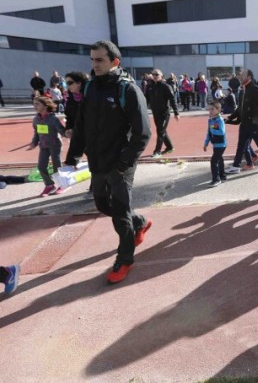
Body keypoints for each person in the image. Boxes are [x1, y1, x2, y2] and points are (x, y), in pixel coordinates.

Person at [65, 40, 152, 284]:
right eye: (92, 59)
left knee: (120, 214)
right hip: (98, 161)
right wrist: (73, 156)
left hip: (120, 164)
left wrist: (124, 163)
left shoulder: (128, 90)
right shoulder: (91, 87)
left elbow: (143, 133)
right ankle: (141, 222)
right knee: (103, 205)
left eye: (99, 59)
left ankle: (124, 260)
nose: (94, 64)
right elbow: (81, 124)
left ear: (115, 61)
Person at [225, 68, 258, 174]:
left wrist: (249, 114)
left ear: (249, 77)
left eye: (243, 75)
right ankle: (236, 166)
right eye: (240, 75)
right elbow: (239, 109)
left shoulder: (255, 89)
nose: (240, 76)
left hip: (254, 123)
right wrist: (230, 118)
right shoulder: (242, 91)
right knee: (241, 145)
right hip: (244, 123)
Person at [27, 96, 67, 197]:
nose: (34, 106)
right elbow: (37, 133)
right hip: (43, 146)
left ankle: (62, 185)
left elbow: (62, 131)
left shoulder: (53, 119)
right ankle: (49, 185)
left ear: (45, 105)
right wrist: (33, 143)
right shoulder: (36, 119)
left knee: (56, 167)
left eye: (37, 104)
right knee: (41, 167)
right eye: (34, 104)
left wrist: (68, 133)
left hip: (55, 145)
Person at [147, 69, 179, 158]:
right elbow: (146, 100)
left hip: (165, 113)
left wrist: (176, 112)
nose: (154, 76)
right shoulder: (149, 87)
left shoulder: (166, 86)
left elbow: (172, 99)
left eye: (157, 74)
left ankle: (157, 151)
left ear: (161, 76)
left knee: (160, 131)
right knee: (162, 130)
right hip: (155, 113)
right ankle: (169, 147)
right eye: (153, 74)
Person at [203, 100, 227, 187]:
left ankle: (216, 180)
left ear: (218, 109)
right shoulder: (211, 120)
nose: (210, 111)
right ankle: (223, 176)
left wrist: (212, 128)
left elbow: (221, 132)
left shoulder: (219, 120)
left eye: (212, 109)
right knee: (219, 160)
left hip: (221, 144)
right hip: (215, 144)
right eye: (209, 109)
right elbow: (208, 133)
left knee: (214, 161)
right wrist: (206, 143)